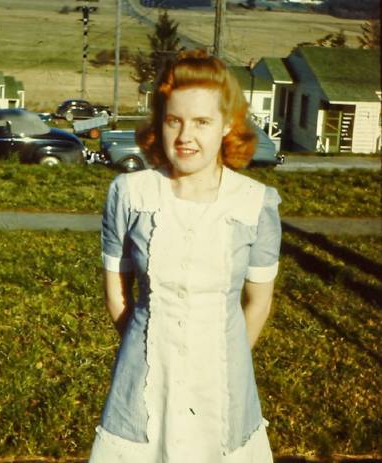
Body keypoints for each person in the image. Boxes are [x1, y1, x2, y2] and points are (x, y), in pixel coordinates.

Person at [89, 49, 281, 463]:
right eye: (174, 120)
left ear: (227, 125)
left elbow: (258, 302)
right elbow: (116, 291)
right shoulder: (129, 194)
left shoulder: (255, 203)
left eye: (202, 122)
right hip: (144, 379)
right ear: (160, 122)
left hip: (223, 386)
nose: (185, 137)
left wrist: (225, 361)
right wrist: (147, 349)